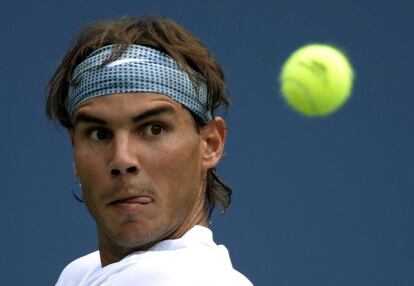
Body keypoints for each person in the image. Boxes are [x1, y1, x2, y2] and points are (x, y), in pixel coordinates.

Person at [46, 15, 253, 286]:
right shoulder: (81, 274)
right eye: (99, 133)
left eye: (154, 129)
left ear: (210, 144)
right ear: (75, 149)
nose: (122, 159)